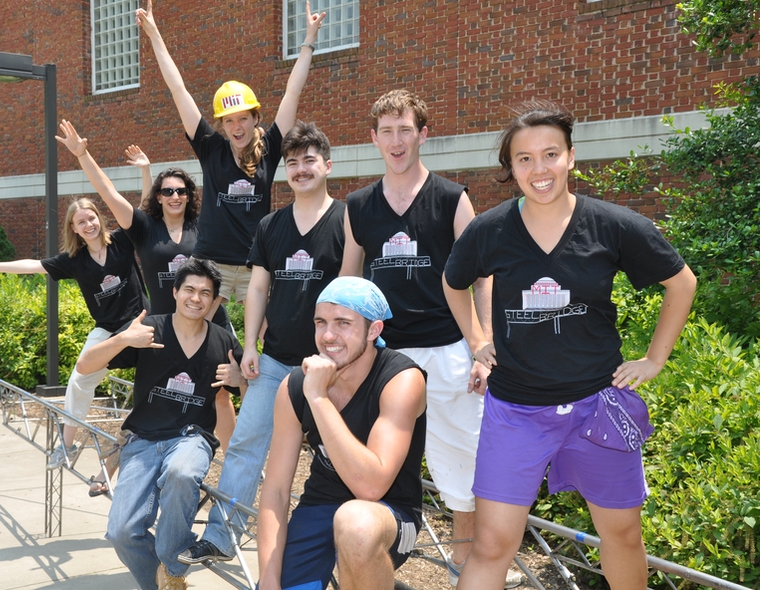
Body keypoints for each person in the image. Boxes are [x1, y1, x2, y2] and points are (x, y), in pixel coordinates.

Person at [442, 102, 696, 590]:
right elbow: (453, 283)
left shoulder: (613, 225)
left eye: (551, 154)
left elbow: (681, 283)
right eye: (525, 159)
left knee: (621, 534)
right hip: (515, 408)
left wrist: (655, 358)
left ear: (571, 157)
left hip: (598, 407)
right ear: (511, 168)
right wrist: (478, 339)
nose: (540, 169)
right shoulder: (489, 231)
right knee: (493, 543)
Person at [339, 89, 520, 587]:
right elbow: (349, 287)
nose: (396, 142)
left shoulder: (450, 198)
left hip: (447, 350)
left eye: (406, 130)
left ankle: (469, 573)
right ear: (373, 138)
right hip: (385, 356)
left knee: (464, 472)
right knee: (372, 468)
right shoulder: (358, 205)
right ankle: (369, 568)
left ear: (422, 134)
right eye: (387, 132)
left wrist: (482, 346)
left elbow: (483, 276)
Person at [178, 122, 345, 564]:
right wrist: (250, 345)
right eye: (292, 163)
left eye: (309, 160)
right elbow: (256, 289)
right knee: (246, 444)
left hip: (334, 365)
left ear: (328, 165)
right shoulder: (271, 225)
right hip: (275, 362)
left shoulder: (349, 220)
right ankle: (221, 537)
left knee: (337, 455)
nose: (300, 169)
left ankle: (337, 548)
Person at [55, 120, 237, 494]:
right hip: (165, 329)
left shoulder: (205, 227)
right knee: (153, 397)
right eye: (167, 190)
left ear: (190, 195)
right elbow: (106, 194)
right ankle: (113, 465)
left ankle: (237, 470)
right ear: (158, 195)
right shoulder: (142, 228)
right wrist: (82, 154)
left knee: (220, 393)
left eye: (181, 190)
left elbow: (226, 274)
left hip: (212, 323)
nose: (174, 196)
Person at [136, 0, 325, 303]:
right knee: (193, 334)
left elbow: (293, 91)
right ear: (221, 125)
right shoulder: (211, 149)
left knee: (268, 336)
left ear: (255, 119)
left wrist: (309, 40)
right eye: (229, 121)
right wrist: (155, 34)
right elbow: (177, 88)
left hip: (256, 264)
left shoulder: (271, 149)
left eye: (243, 119)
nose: (237, 128)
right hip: (212, 263)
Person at [76, 257, 247, 590]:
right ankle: (166, 581)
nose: (196, 298)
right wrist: (123, 339)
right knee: (122, 532)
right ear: (175, 292)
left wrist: (240, 379)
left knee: (183, 472)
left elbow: (248, 393)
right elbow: (84, 366)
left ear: (214, 301)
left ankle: (172, 564)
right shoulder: (149, 330)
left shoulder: (223, 342)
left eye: (205, 293)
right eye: (189, 290)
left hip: (191, 438)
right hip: (141, 441)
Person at [256, 277, 427, 590]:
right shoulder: (294, 387)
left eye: (343, 323)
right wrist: (268, 580)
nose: (328, 335)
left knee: (355, 524)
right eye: (320, 322)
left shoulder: (401, 380)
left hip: (388, 515)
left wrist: (319, 399)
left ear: (374, 330)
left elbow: (371, 486)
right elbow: (277, 491)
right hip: (319, 508)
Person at [0, 198, 147, 474]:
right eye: (81, 222)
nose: (89, 224)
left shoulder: (121, 241)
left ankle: (136, 437)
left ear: (99, 218)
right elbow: (34, 266)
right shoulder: (74, 261)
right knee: (79, 379)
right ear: (74, 228)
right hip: (107, 330)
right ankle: (68, 444)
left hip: (141, 323)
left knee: (154, 379)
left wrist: (144, 170)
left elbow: (139, 212)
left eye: (91, 218)